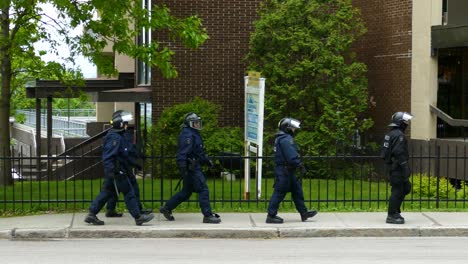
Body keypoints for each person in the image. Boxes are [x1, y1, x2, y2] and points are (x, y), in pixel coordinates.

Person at [84, 110, 154, 226]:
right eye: (125, 123)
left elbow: (124, 154)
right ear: (121, 124)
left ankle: (91, 214)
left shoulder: (118, 136)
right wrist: (111, 171)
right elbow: (109, 156)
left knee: (106, 192)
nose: (127, 125)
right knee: (129, 192)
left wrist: (135, 163)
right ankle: (138, 217)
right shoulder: (114, 138)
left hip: (117, 170)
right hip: (117, 171)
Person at [159, 112, 221, 224]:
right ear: (189, 123)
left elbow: (199, 152)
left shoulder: (194, 133)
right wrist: (183, 167)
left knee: (186, 192)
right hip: (191, 168)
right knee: (203, 189)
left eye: (198, 122)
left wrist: (207, 161)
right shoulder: (187, 135)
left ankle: (167, 208)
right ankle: (207, 215)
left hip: (193, 166)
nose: (197, 124)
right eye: (195, 122)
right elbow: (182, 153)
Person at [266, 117, 317, 224]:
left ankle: (304, 213)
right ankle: (271, 216)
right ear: (287, 128)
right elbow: (291, 155)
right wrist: (299, 164)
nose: (294, 130)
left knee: (297, 191)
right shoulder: (285, 139)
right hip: (284, 171)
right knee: (279, 192)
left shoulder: (281, 138)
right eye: (293, 128)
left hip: (287, 171)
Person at [104, 124, 152, 218]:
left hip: (120, 167)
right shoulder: (123, 136)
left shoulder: (120, 135)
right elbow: (128, 150)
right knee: (131, 189)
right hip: (123, 167)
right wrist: (136, 161)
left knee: (112, 190)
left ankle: (108, 209)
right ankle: (138, 213)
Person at [380, 111, 413, 224]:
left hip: (392, 167)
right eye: (405, 122)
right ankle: (391, 215)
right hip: (397, 168)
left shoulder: (390, 134)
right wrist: (405, 168)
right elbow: (399, 152)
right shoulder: (399, 135)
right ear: (400, 122)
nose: (407, 124)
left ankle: (396, 211)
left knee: (405, 188)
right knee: (398, 191)